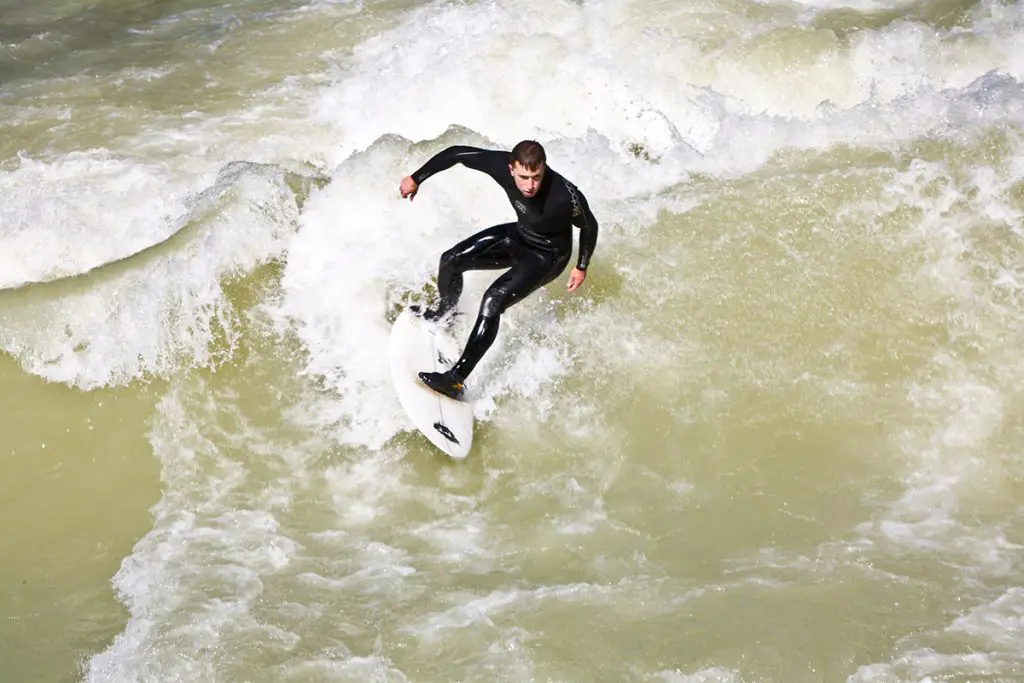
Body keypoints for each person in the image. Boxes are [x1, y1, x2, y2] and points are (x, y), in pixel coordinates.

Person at [398, 140, 599, 400]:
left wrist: (581, 266)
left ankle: (455, 380)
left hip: (548, 257)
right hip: (521, 236)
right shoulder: (499, 166)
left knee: (493, 300)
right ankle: (444, 315)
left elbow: (590, 226)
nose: (530, 186)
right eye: (524, 177)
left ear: (544, 169)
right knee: (451, 259)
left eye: (536, 177)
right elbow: (457, 152)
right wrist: (417, 178)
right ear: (511, 169)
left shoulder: (564, 195)